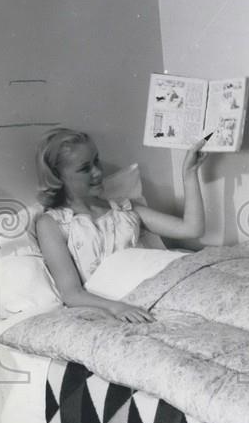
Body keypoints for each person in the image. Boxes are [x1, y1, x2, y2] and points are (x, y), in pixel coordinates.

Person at [34, 127, 208, 323]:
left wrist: (190, 173)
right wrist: (117, 307)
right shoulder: (53, 224)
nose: (98, 172)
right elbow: (71, 293)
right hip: (119, 305)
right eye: (85, 168)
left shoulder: (125, 209)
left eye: (96, 161)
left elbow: (191, 228)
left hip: (158, 290)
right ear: (58, 177)